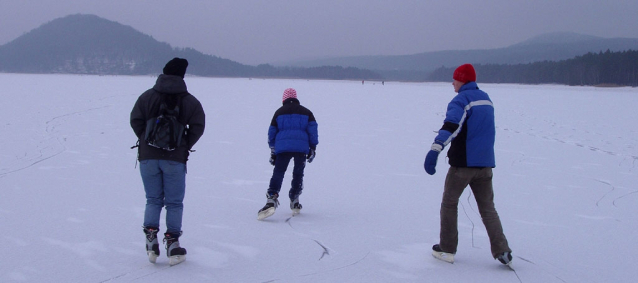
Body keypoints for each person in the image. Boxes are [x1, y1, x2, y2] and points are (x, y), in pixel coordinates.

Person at [423, 64, 512, 266]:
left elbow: (452, 126)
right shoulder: (486, 99)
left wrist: (436, 148)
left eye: (455, 79)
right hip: (485, 165)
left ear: (462, 80)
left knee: (449, 203)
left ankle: (447, 248)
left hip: (463, 165)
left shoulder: (461, 100)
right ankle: (502, 250)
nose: (452, 83)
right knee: (488, 209)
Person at [130, 57, 206, 265]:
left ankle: (151, 239)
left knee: (153, 199)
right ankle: (172, 244)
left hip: (148, 158)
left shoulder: (147, 97)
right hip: (175, 158)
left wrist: (146, 139)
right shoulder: (190, 101)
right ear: (182, 75)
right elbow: (198, 126)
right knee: (174, 202)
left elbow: (135, 120)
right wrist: (184, 144)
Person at [258, 88, 319, 220]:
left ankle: (272, 198)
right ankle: (295, 198)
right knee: (298, 173)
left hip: (283, 148)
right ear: (296, 98)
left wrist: (273, 150)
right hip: (301, 148)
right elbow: (313, 131)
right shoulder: (307, 112)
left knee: (278, 172)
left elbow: (271, 133)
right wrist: (313, 147)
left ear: (284, 99)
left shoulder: (279, 112)